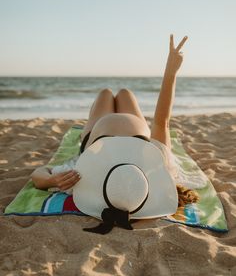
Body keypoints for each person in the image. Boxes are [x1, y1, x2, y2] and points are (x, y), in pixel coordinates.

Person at [31, 34, 199, 210]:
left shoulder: (83, 176)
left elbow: (38, 175)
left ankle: (102, 128)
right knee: (125, 93)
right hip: (133, 125)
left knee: (105, 93)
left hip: (95, 131)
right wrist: (170, 72)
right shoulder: (158, 167)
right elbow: (161, 122)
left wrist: (51, 180)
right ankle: (124, 124)